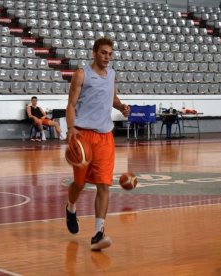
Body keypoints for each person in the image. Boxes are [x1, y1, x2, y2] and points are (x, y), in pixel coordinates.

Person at [65, 37, 130, 251]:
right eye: (103, 53)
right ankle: (71, 207)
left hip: (105, 137)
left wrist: (121, 106)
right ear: (94, 52)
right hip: (83, 135)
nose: (107, 57)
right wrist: (71, 128)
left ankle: (98, 233)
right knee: (80, 184)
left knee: (104, 185)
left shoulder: (111, 75)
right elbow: (71, 105)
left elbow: (111, 96)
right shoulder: (81, 74)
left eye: (110, 54)